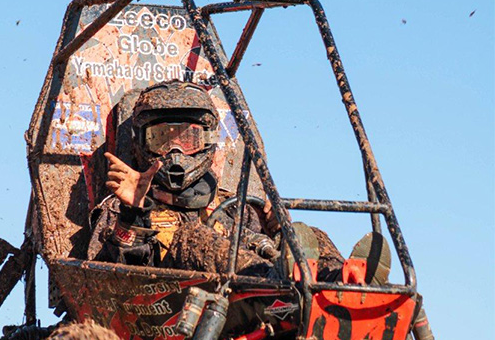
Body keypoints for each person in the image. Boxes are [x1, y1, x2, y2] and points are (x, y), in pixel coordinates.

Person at [88, 79, 381, 283]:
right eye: (162, 139)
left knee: (307, 232)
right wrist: (134, 213)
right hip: (166, 315)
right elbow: (103, 284)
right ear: (142, 143)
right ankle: (274, 281)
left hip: (251, 315)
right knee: (192, 238)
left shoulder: (234, 207)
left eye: (188, 139)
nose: (175, 152)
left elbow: (269, 243)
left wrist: (279, 230)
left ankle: (342, 281)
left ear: (207, 141)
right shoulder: (120, 205)